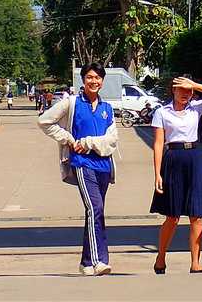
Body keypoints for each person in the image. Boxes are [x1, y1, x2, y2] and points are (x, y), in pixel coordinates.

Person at [38, 62, 120, 276]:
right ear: (83, 80)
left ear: (102, 81)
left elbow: (112, 139)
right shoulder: (72, 103)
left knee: (95, 212)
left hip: (103, 165)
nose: (94, 81)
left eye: (98, 78)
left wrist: (90, 142)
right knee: (95, 209)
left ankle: (85, 262)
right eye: (90, 77)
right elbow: (45, 121)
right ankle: (98, 260)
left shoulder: (106, 108)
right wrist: (68, 139)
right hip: (82, 164)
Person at [150, 76, 202, 274]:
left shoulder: (197, 108)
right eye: (181, 90)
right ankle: (161, 257)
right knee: (172, 216)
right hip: (173, 158)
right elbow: (158, 143)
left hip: (194, 157)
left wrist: (196, 85)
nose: (186, 94)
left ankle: (195, 263)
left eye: (189, 91)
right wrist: (157, 173)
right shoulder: (162, 112)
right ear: (172, 91)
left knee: (196, 215)